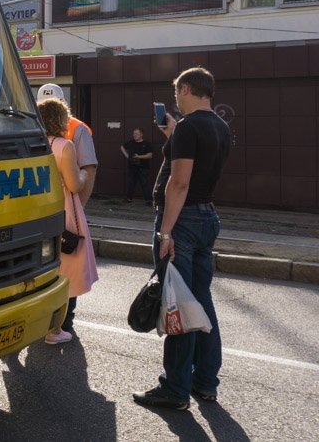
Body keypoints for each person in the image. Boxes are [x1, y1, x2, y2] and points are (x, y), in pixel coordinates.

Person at [133, 67, 232, 411]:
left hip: (182, 220)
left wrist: (166, 232)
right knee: (201, 300)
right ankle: (205, 382)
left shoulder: (189, 127)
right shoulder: (220, 126)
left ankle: (174, 388)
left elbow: (179, 182)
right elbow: (199, 165)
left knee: (175, 302)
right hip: (208, 217)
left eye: (177, 91)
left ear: (187, 88)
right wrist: (174, 135)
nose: (175, 97)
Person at [37, 97, 98, 345]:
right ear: (61, 119)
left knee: (43, 270)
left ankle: (38, 323)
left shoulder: (35, 144)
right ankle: (58, 327)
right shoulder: (65, 146)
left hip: (38, 211)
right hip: (64, 211)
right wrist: (83, 175)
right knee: (68, 270)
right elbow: (74, 184)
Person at [36, 83, 98, 207]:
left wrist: (79, 206)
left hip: (64, 201)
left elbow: (89, 169)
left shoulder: (78, 129)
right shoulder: (32, 126)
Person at [121, 128, 154, 205]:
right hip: (132, 167)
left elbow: (150, 155)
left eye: (137, 133)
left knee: (145, 183)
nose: (134, 135)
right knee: (131, 183)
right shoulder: (130, 143)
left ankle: (149, 201)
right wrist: (127, 156)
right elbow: (122, 147)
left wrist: (138, 157)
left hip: (143, 167)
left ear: (141, 134)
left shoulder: (147, 144)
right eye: (134, 133)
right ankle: (129, 199)